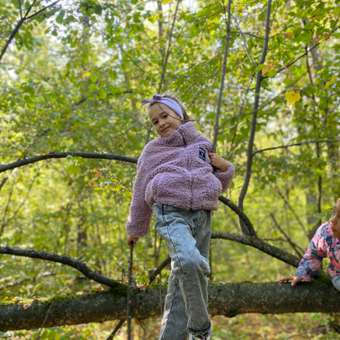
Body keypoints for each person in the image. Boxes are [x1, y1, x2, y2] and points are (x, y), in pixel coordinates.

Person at [126, 94, 235, 340]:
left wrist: (226, 167)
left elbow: (216, 183)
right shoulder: (153, 150)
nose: (161, 123)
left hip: (203, 216)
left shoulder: (202, 145)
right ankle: (200, 330)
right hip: (170, 212)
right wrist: (135, 228)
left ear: (180, 114)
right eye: (155, 121)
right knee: (188, 262)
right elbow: (140, 187)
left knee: (182, 281)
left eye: (164, 116)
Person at [279, 198, 340, 291]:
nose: (332, 220)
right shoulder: (326, 233)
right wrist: (301, 274)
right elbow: (313, 255)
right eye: (334, 212)